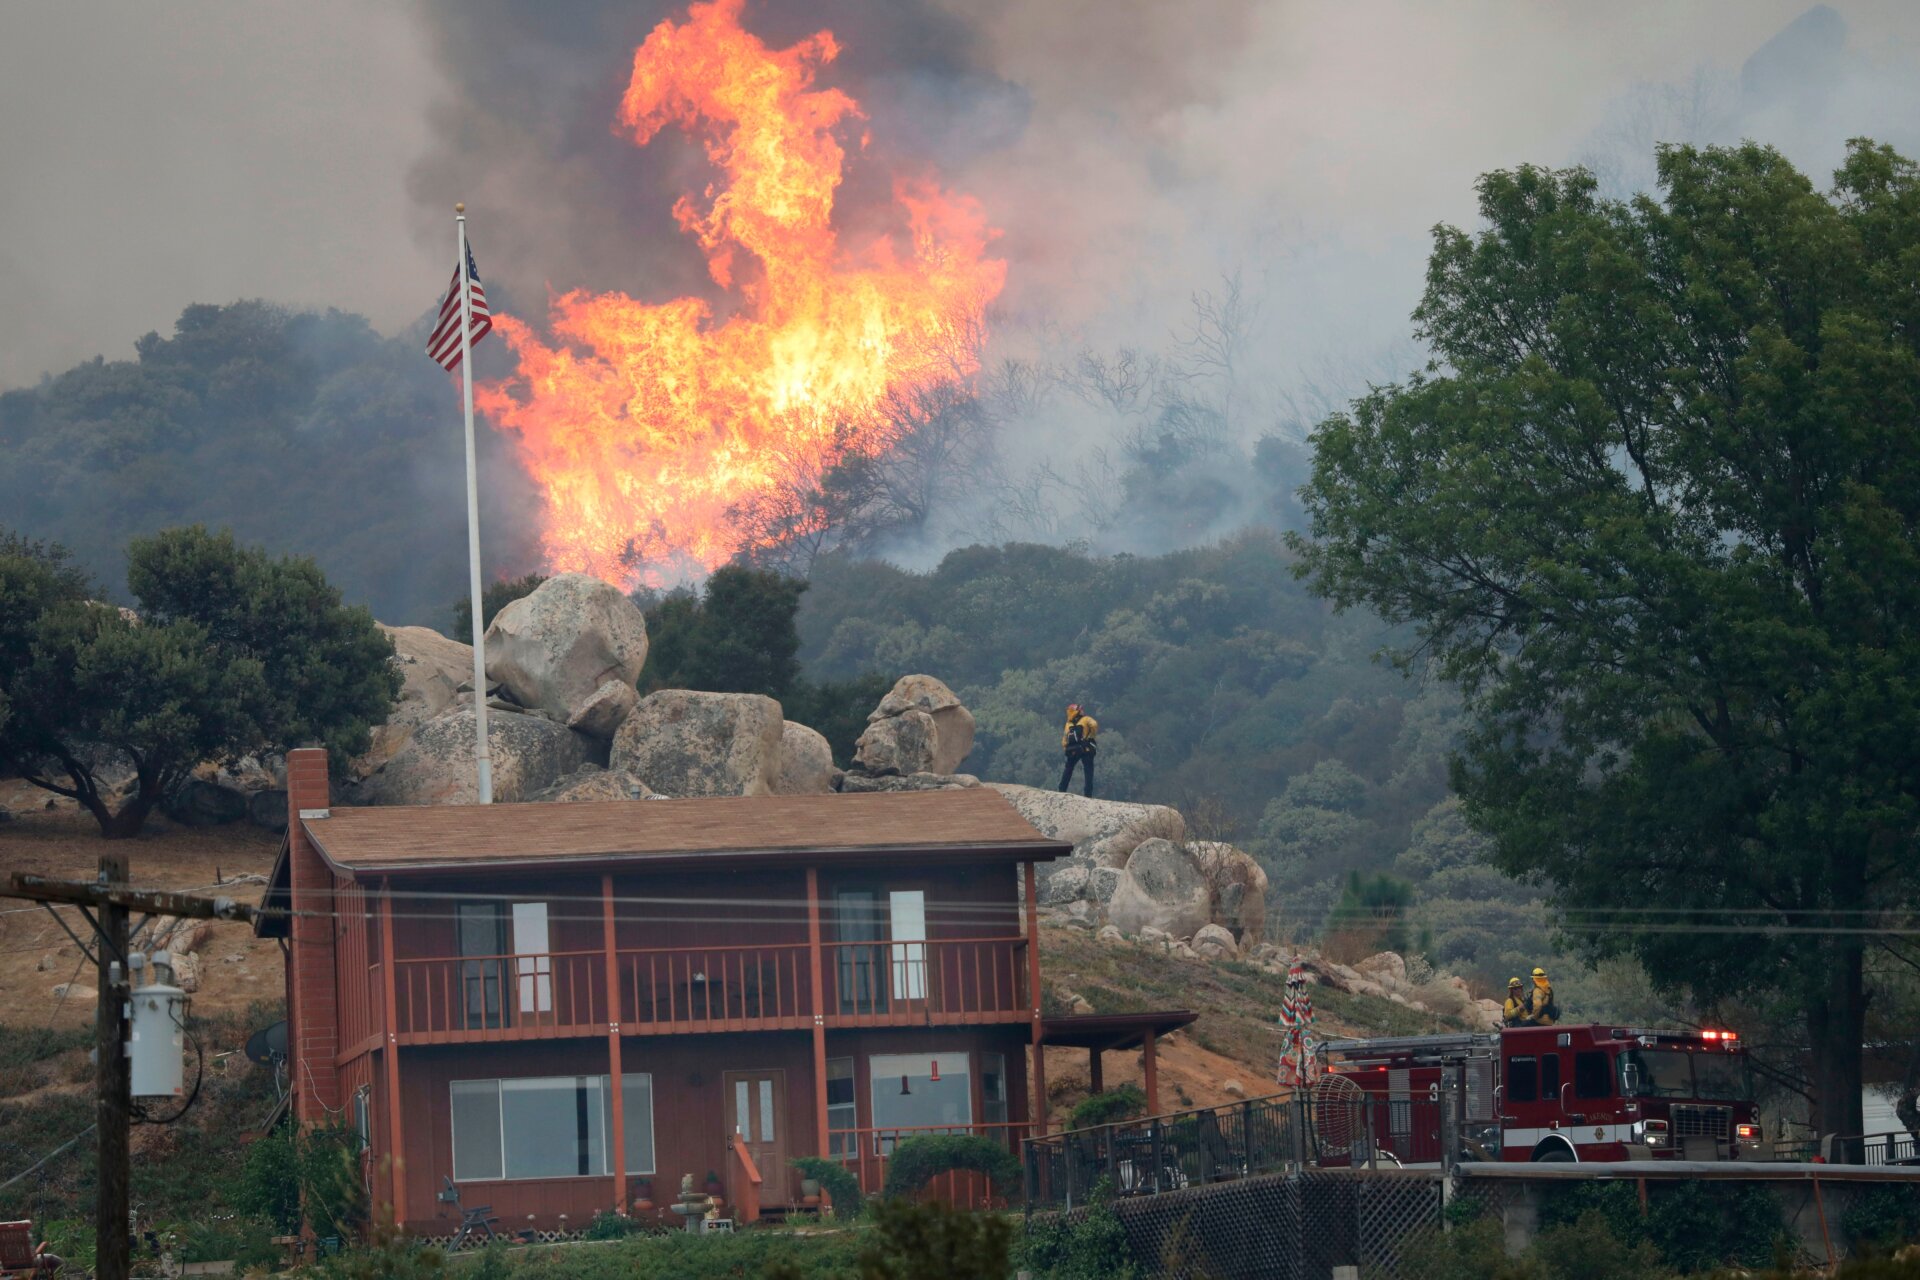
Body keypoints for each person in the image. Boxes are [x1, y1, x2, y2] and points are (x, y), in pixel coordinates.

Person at [1058, 702, 1098, 797]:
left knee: (1068, 768)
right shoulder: (1086, 719)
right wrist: (1091, 736)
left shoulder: (1068, 724)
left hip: (1073, 750)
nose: (1083, 711)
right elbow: (1094, 725)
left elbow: (1064, 739)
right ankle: (1088, 794)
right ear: (1077, 712)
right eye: (1081, 709)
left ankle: (1061, 789)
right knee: (1088, 770)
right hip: (1086, 748)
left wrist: (1067, 749)